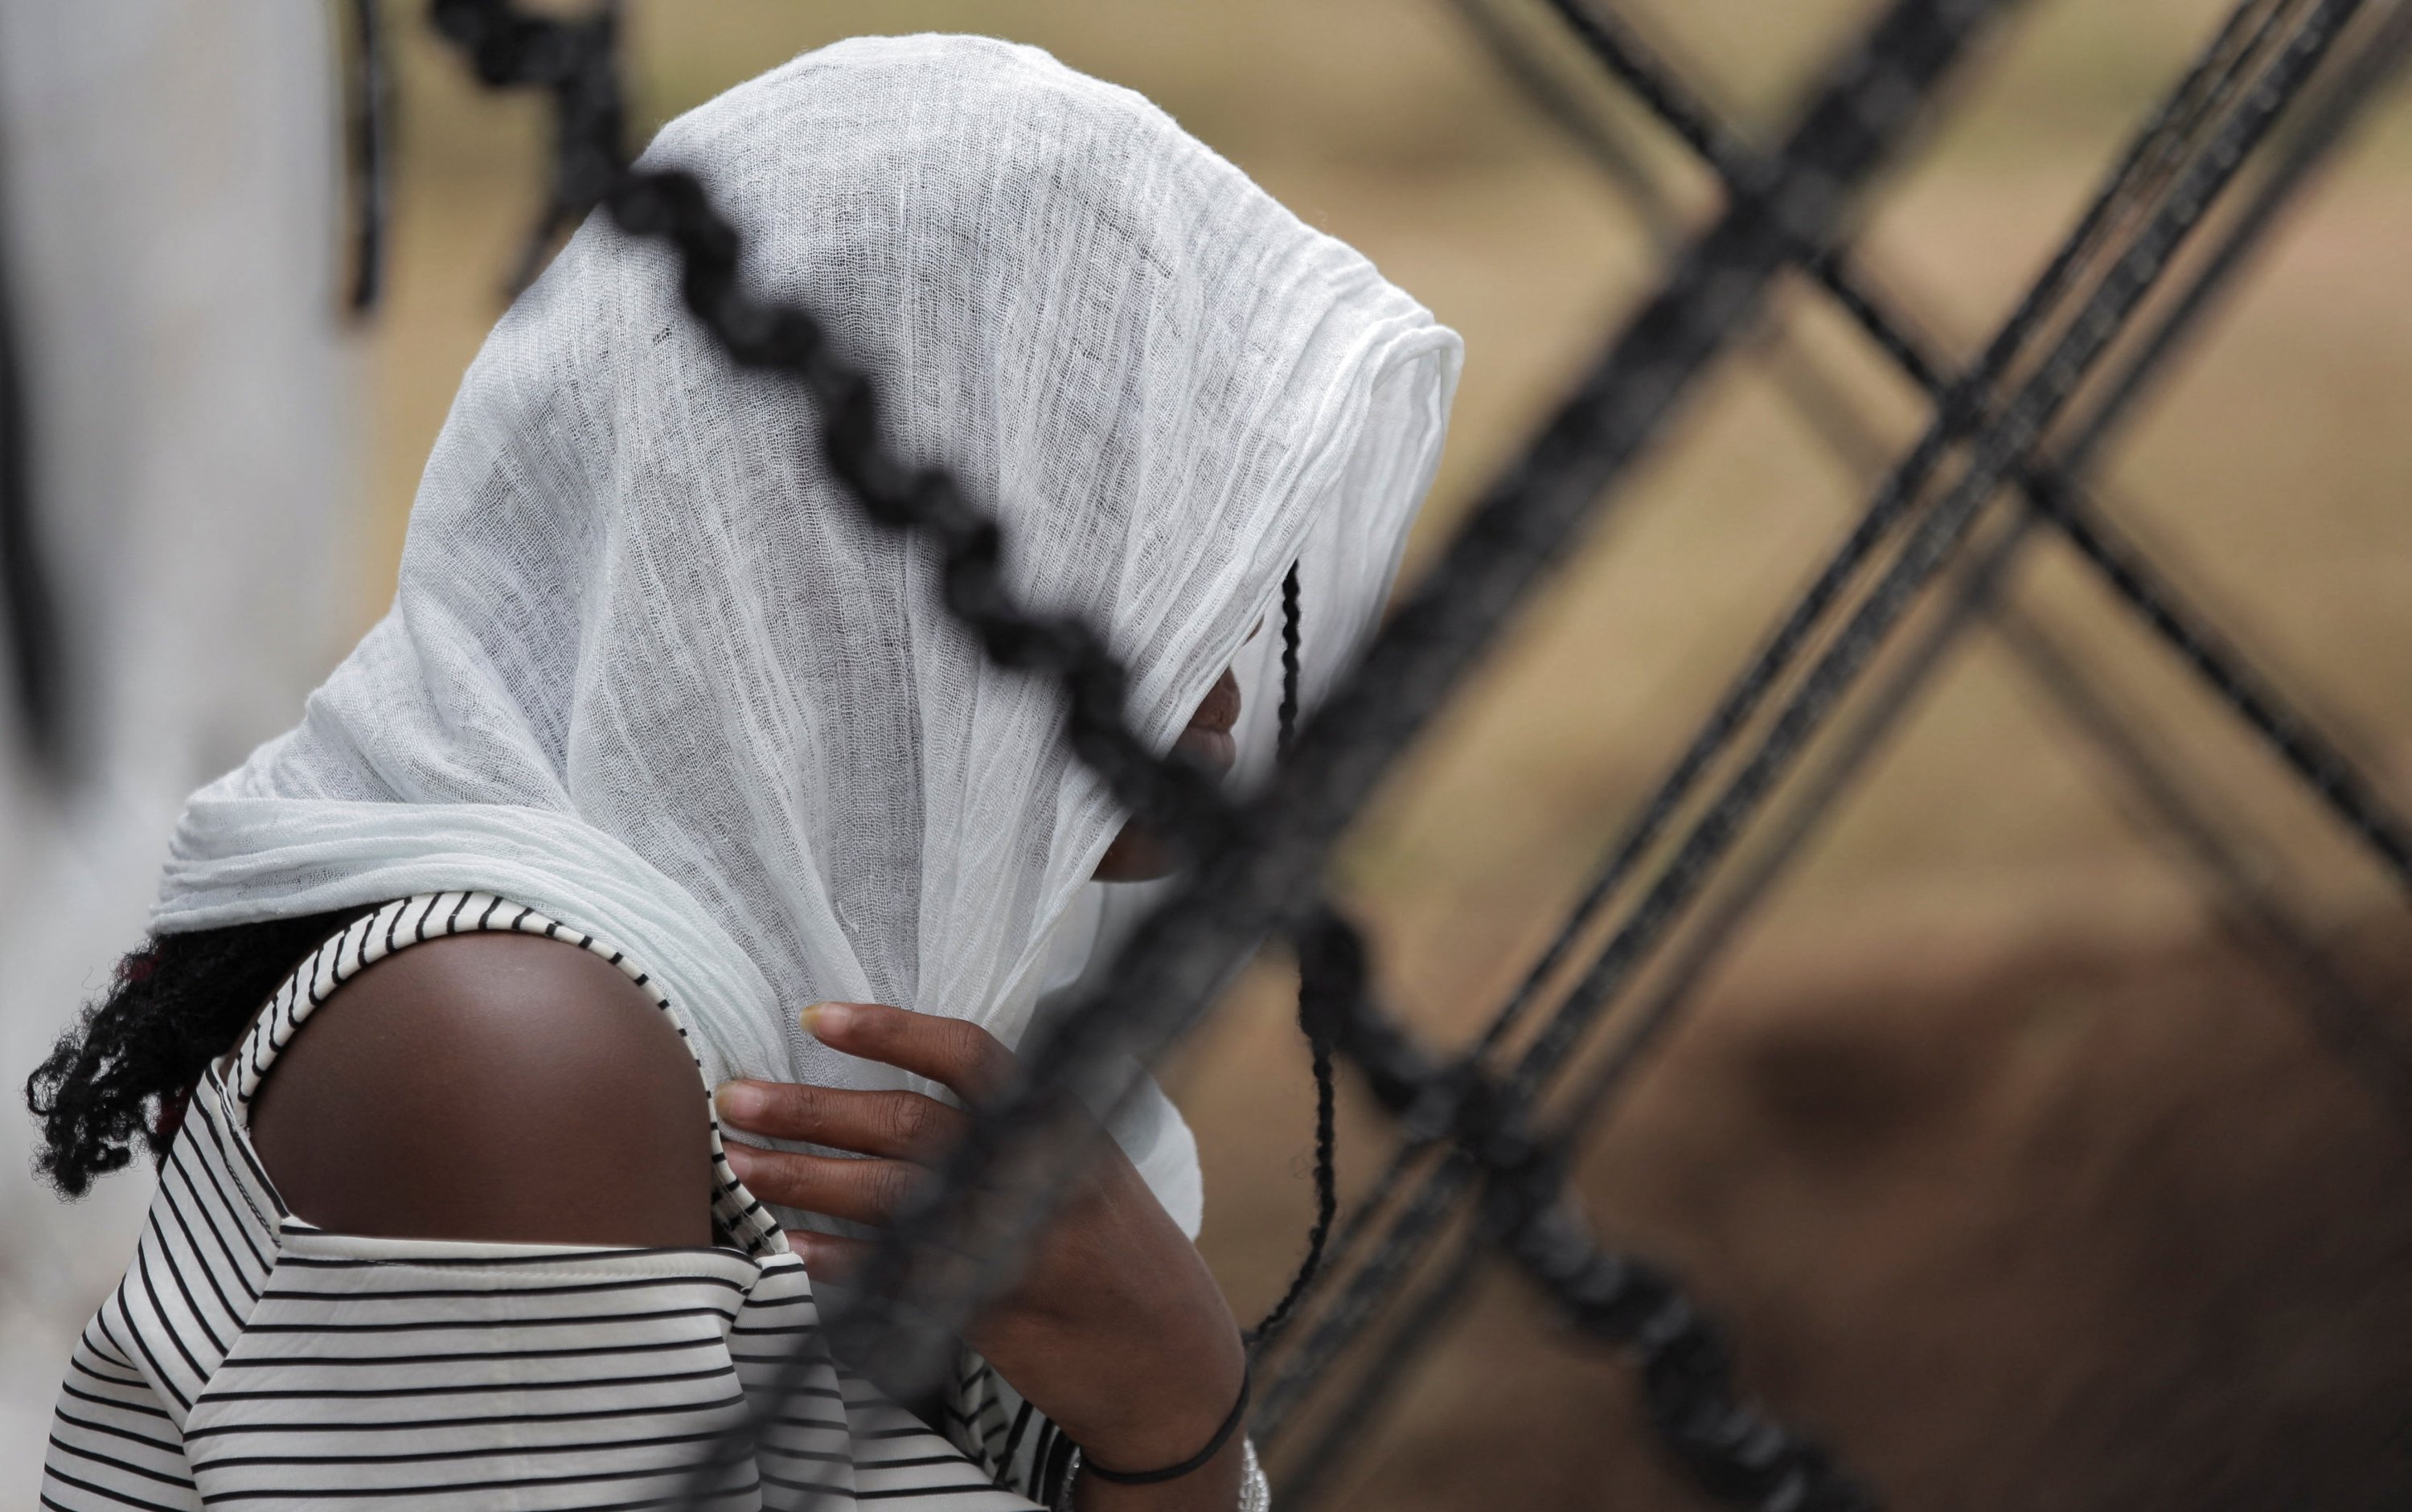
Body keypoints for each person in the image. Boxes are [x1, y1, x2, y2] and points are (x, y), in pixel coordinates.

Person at [27, 34, 1458, 1511]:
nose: (1224, 677)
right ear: (851, 570)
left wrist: (1169, 1410)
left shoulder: (858, 1023)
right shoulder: (520, 1057)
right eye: (1141, 540)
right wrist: (1174, 1404)